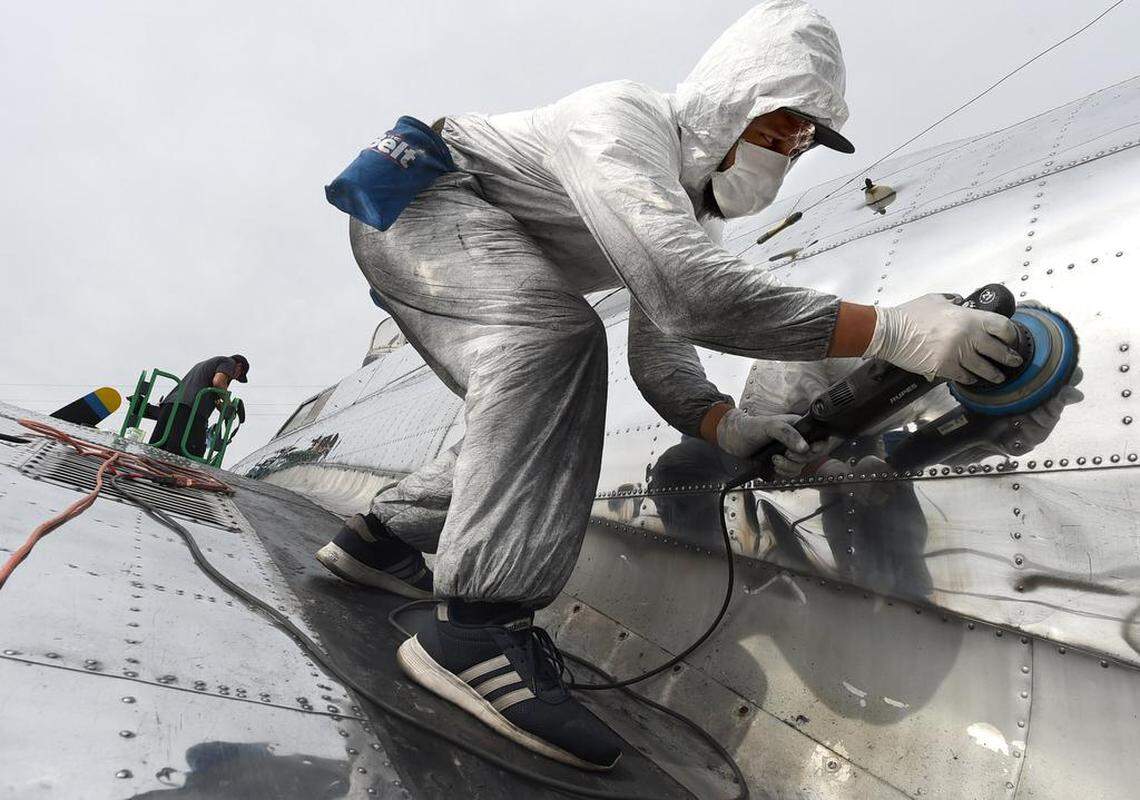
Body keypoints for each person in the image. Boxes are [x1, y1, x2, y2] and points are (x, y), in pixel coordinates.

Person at [316, 1, 1024, 770]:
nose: (793, 147)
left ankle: (379, 541)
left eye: (805, 138)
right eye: (781, 124)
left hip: (468, 237)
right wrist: (892, 329)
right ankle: (475, 629)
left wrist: (724, 424)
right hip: (424, 206)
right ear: (730, 100)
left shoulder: (686, 209)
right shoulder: (618, 121)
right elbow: (692, 293)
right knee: (552, 343)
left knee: (530, 408)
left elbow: (663, 352)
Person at [151, 354, 249, 458]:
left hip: (171, 405)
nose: (234, 378)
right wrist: (229, 405)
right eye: (238, 375)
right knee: (190, 453)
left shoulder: (206, 368)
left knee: (158, 449)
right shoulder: (229, 362)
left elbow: (216, 399)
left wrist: (225, 411)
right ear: (239, 366)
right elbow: (218, 382)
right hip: (189, 410)